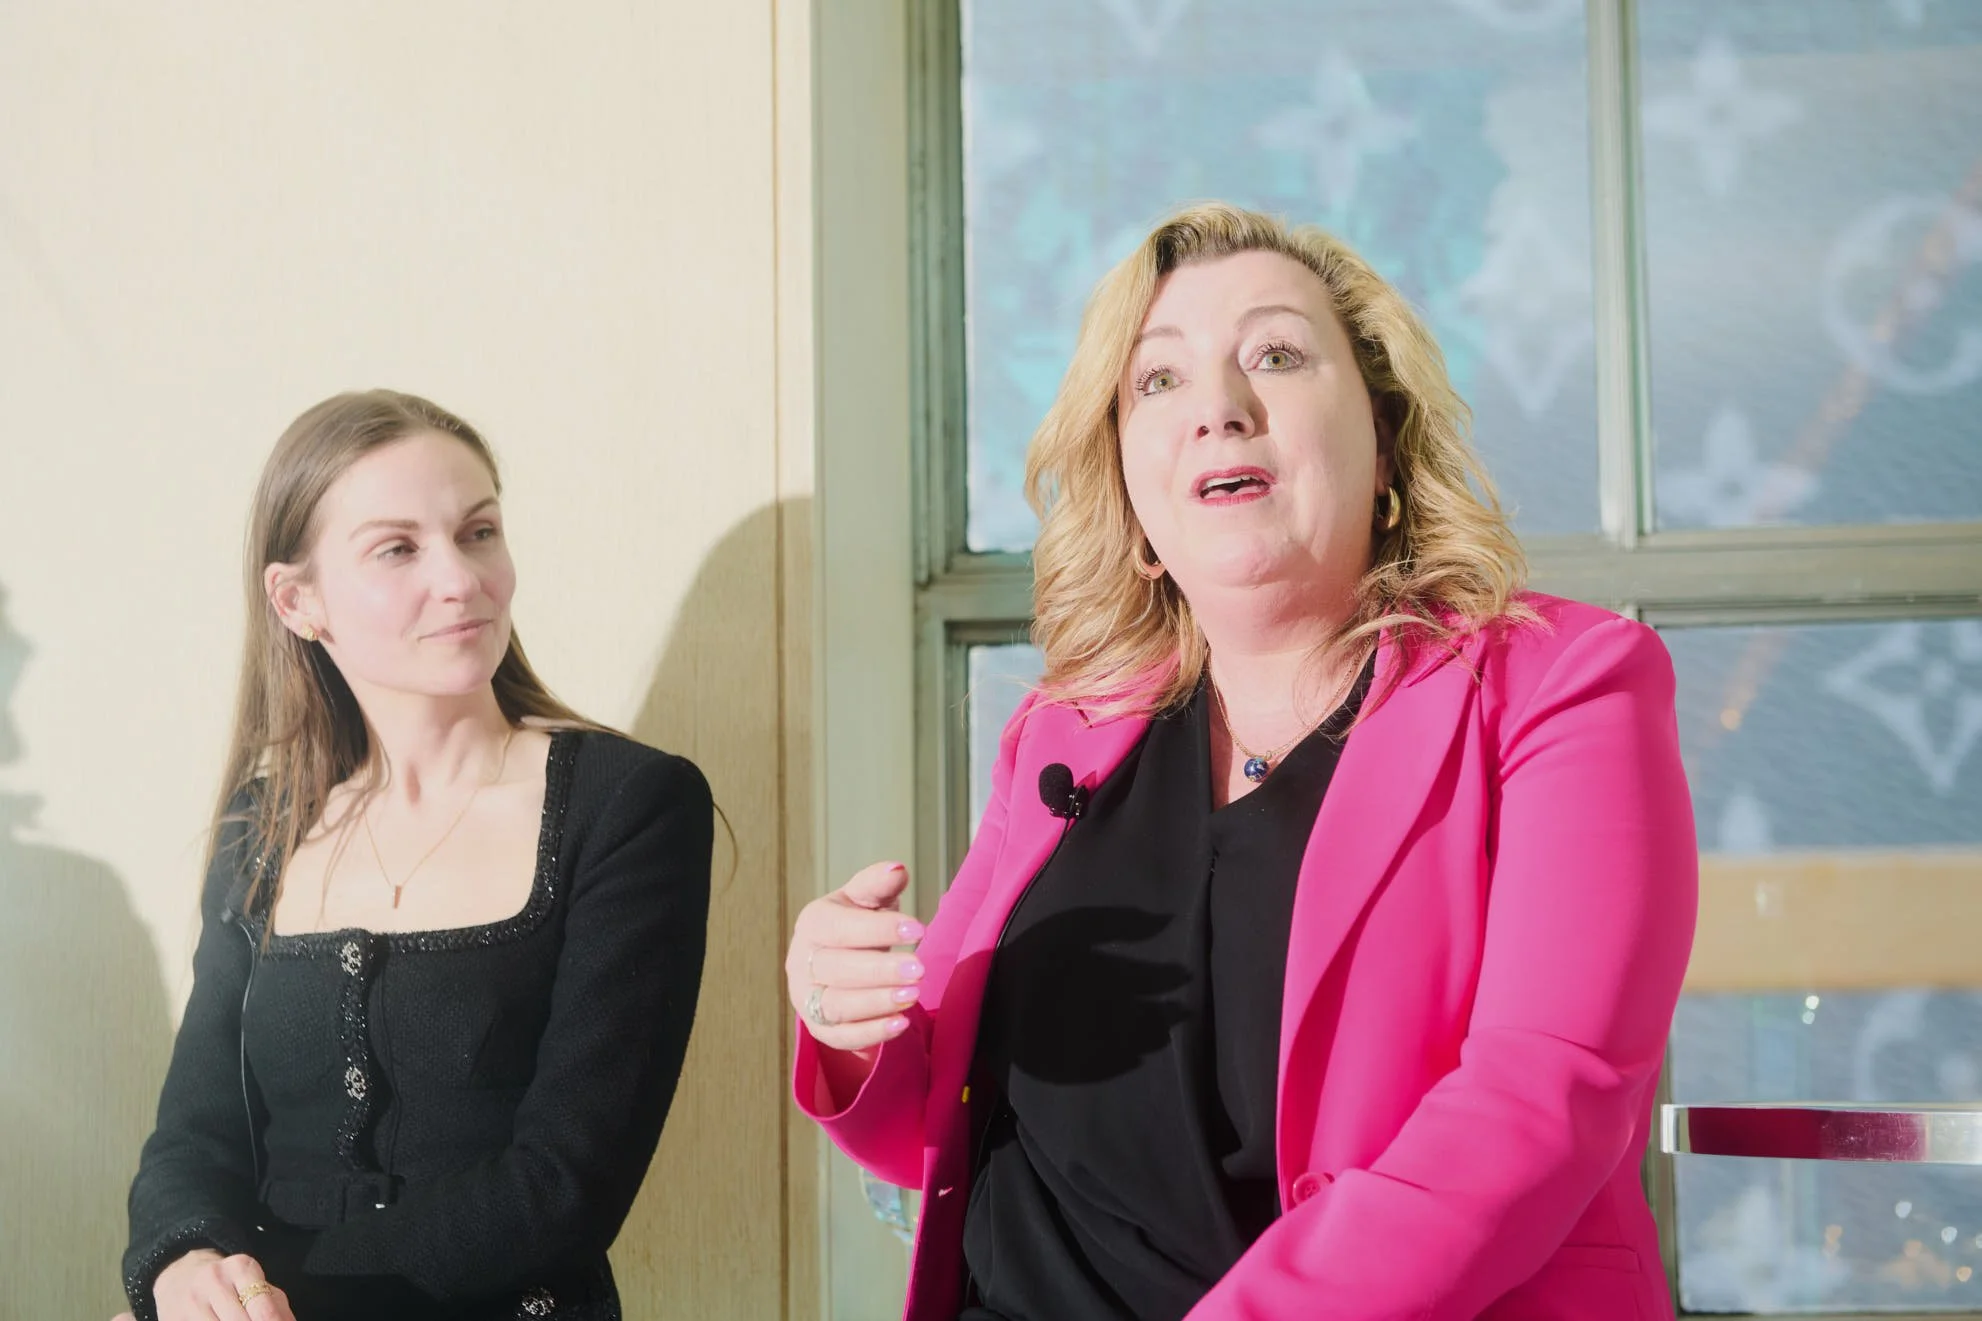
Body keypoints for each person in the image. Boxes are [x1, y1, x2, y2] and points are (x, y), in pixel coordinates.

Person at [786, 203, 1698, 1320]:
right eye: (1159, 379)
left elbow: (1540, 1102)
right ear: (1127, 486)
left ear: (1384, 442)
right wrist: (845, 1020)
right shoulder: (1063, 730)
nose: (1217, 407)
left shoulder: (1563, 683)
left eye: (1274, 355)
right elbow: (933, 1121)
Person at [120, 390, 713, 1321]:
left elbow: (563, 1184)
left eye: (479, 532)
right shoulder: (261, 826)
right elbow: (195, 1135)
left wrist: (276, 1297)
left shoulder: (629, 805)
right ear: (298, 600)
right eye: (398, 548)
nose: (462, 578)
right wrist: (182, 1268)